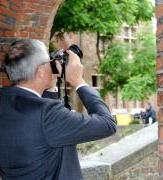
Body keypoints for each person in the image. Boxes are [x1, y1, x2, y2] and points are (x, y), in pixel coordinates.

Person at [0, 39, 117, 180]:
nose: (53, 64)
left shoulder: (5, 102)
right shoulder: (48, 114)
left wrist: (51, 85)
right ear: (41, 71)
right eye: (49, 61)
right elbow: (107, 124)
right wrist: (78, 81)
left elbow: (43, 128)